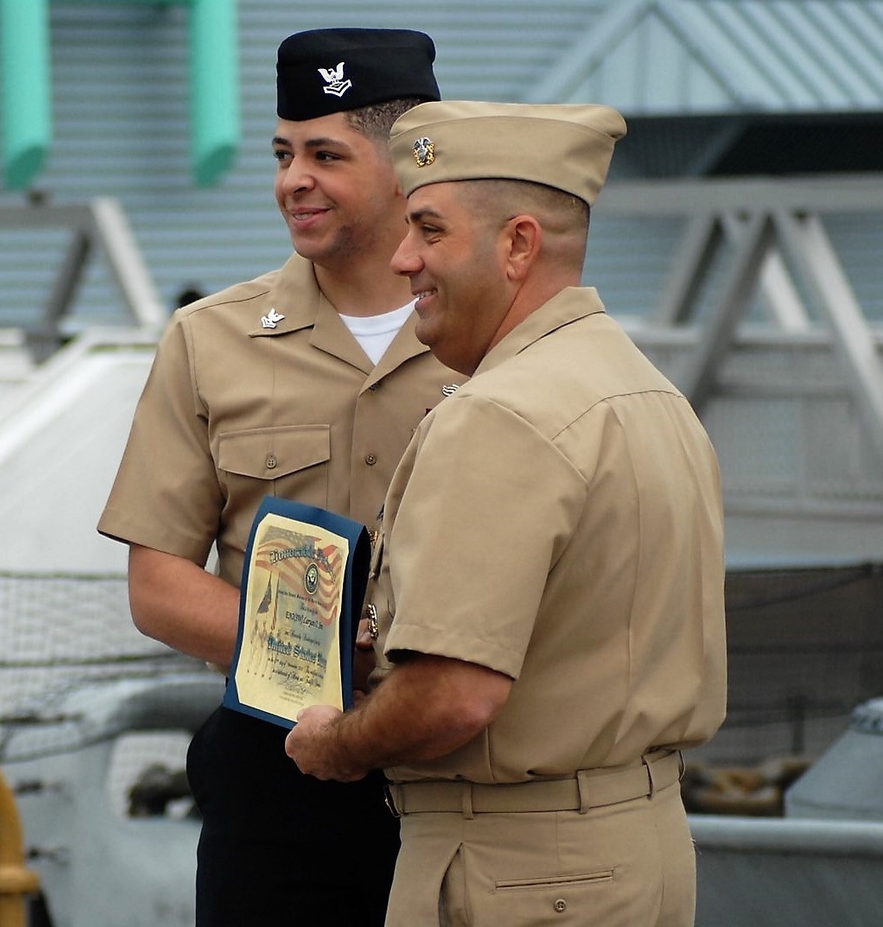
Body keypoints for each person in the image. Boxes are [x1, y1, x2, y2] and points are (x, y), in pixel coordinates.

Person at [285, 101, 728, 927]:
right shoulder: (643, 389)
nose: (404, 257)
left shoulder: (499, 413)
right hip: (636, 846)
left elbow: (455, 692)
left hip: (518, 870)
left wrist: (335, 742)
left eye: (430, 230)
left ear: (518, 243)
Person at [97, 29, 464, 927]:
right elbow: (157, 583)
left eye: (326, 155)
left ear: (412, 160)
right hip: (278, 786)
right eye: (282, 152)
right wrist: (327, 654)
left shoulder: (497, 342)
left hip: (465, 779)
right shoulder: (210, 338)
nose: (291, 179)